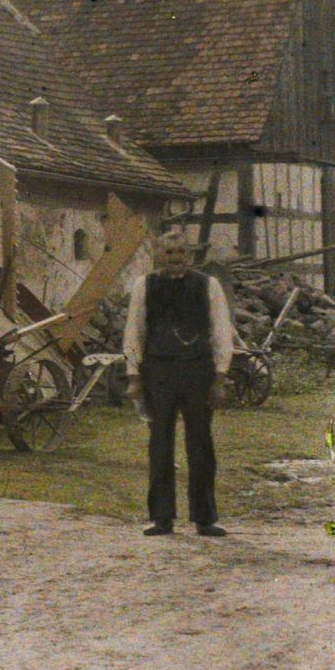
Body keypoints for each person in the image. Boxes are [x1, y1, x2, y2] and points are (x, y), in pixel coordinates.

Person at [122, 227, 236, 537]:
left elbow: (221, 332)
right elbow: (135, 332)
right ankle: (161, 517)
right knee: (160, 444)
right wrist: (134, 377)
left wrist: (220, 378)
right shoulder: (144, 286)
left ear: (190, 255)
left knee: (200, 443)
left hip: (198, 372)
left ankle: (205, 518)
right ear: (159, 256)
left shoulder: (208, 286)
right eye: (169, 253)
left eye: (181, 253)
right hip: (159, 373)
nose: (176, 260)